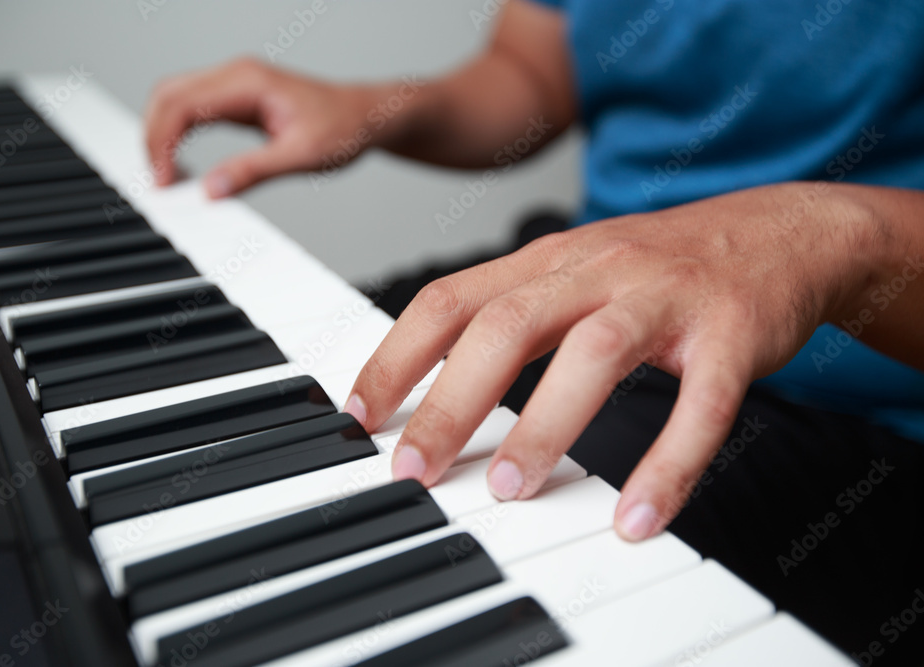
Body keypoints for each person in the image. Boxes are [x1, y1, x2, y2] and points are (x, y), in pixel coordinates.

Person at [144, 1, 924, 661]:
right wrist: (378, 106)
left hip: (856, 403)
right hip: (594, 277)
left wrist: (839, 236)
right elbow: (535, 70)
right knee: (291, 381)